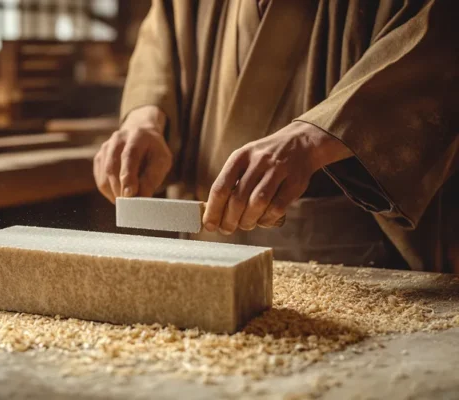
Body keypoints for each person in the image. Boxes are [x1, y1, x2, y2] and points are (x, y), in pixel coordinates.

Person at [94, 0, 459, 273]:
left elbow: (438, 33)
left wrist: (314, 137)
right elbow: (164, 29)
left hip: (341, 253)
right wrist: (144, 118)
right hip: (203, 249)